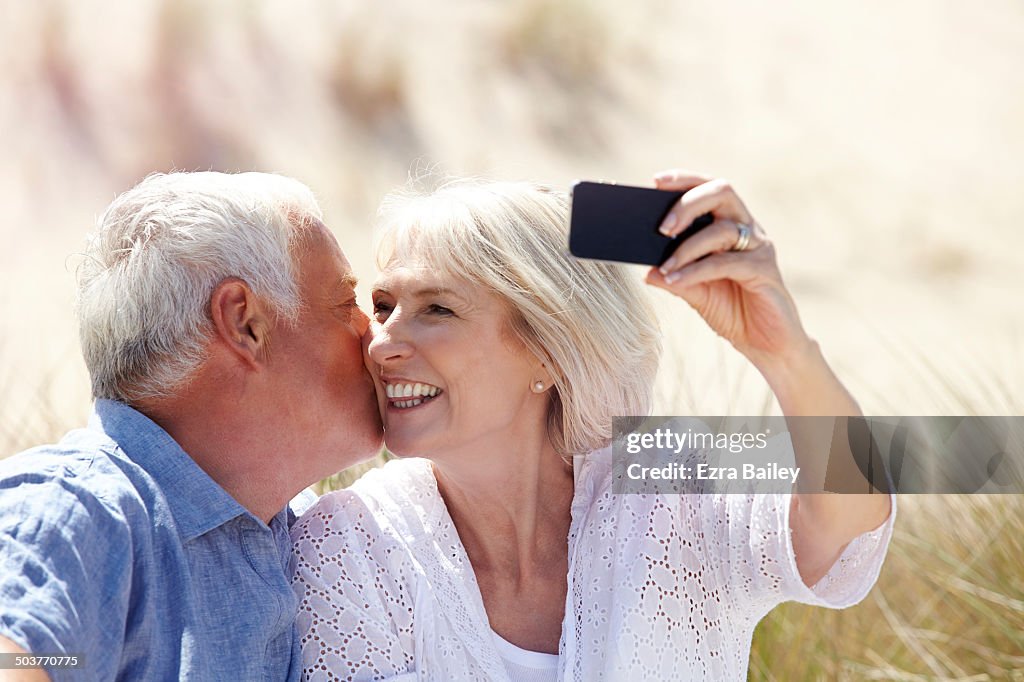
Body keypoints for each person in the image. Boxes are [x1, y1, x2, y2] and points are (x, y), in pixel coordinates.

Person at [290, 170, 896, 681]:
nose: (382, 345)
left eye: (437, 308)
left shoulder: (673, 484)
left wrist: (780, 348)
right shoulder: (346, 545)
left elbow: (845, 519)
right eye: (384, 307)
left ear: (548, 351)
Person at [0, 172, 383, 681]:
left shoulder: (314, 533)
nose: (374, 332)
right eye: (344, 304)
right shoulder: (76, 507)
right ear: (245, 323)